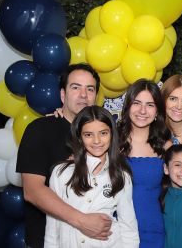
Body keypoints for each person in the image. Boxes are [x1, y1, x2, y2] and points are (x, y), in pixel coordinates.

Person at [17, 64, 112, 248]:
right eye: (75, 87)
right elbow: (32, 191)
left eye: (90, 89)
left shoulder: (104, 136)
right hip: (47, 241)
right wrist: (82, 221)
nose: (83, 95)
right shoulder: (40, 130)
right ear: (63, 94)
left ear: (96, 97)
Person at [44, 106, 139, 247]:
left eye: (103, 133)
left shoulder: (121, 176)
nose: (97, 141)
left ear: (112, 134)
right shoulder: (61, 173)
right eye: (88, 134)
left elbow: (128, 227)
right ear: (79, 137)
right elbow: (53, 226)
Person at [118, 79, 171, 248]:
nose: (142, 110)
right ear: (127, 107)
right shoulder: (110, 140)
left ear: (157, 111)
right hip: (114, 231)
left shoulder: (166, 146)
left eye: (150, 105)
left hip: (152, 231)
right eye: (137, 103)